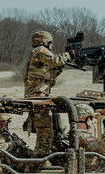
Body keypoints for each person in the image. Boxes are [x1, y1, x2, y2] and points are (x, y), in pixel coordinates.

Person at [23, 31, 73, 163]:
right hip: (38, 97)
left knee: (46, 131)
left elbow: (53, 70)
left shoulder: (37, 55)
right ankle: (36, 166)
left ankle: (40, 163)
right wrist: (68, 54)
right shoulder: (40, 50)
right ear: (45, 42)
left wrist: (67, 60)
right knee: (45, 133)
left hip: (39, 96)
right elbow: (55, 60)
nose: (51, 46)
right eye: (50, 43)